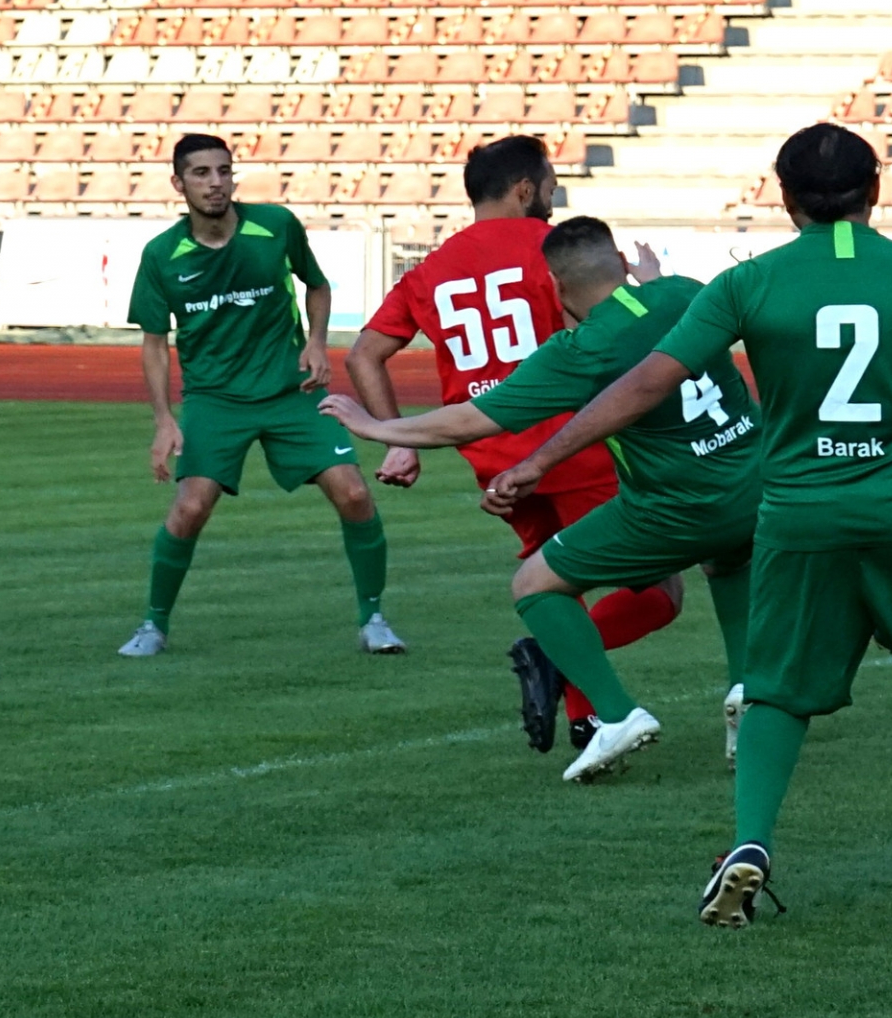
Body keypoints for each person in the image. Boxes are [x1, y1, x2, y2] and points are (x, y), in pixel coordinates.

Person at [484, 123, 892, 926]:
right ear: (875, 190)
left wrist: (539, 459)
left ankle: (750, 846)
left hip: (801, 515)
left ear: (785, 197)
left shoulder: (748, 283)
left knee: (773, 693)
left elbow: (645, 385)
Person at [323, 216, 760, 782]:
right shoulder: (683, 292)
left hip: (677, 506)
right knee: (728, 561)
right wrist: (652, 277)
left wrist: (376, 427)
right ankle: (748, 690)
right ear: (622, 264)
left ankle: (616, 715)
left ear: (556, 285)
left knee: (535, 583)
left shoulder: (583, 348)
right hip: (755, 490)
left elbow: (469, 420)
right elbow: (676, 310)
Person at [345, 136, 680, 750]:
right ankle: (558, 665)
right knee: (659, 591)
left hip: (496, 463)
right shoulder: (551, 252)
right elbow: (601, 334)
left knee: (558, 587)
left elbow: (364, 354)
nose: (553, 197)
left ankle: (588, 717)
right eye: (550, 186)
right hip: (575, 450)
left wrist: (400, 443)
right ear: (526, 189)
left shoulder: (429, 269)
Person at [118, 133, 400, 658]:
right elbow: (155, 344)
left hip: (291, 389)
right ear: (178, 183)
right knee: (190, 508)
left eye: (224, 171)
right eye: (201, 173)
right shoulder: (161, 255)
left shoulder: (275, 226)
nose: (216, 183)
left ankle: (374, 619)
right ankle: (153, 625)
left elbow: (317, 285)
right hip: (214, 398)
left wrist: (317, 343)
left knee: (355, 494)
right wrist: (163, 420)